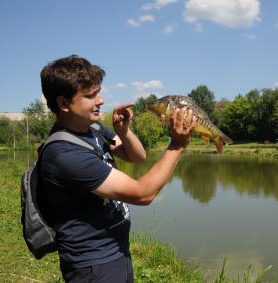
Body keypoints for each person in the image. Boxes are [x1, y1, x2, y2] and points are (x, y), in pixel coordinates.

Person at [39, 55, 196, 283]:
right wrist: (177, 146)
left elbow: (137, 156)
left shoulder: (92, 127)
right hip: (94, 265)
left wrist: (123, 131)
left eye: (99, 92)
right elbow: (143, 193)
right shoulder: (64, 154)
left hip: (116, 251)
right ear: (64, 103)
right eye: (91, 96)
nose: (101, 101)